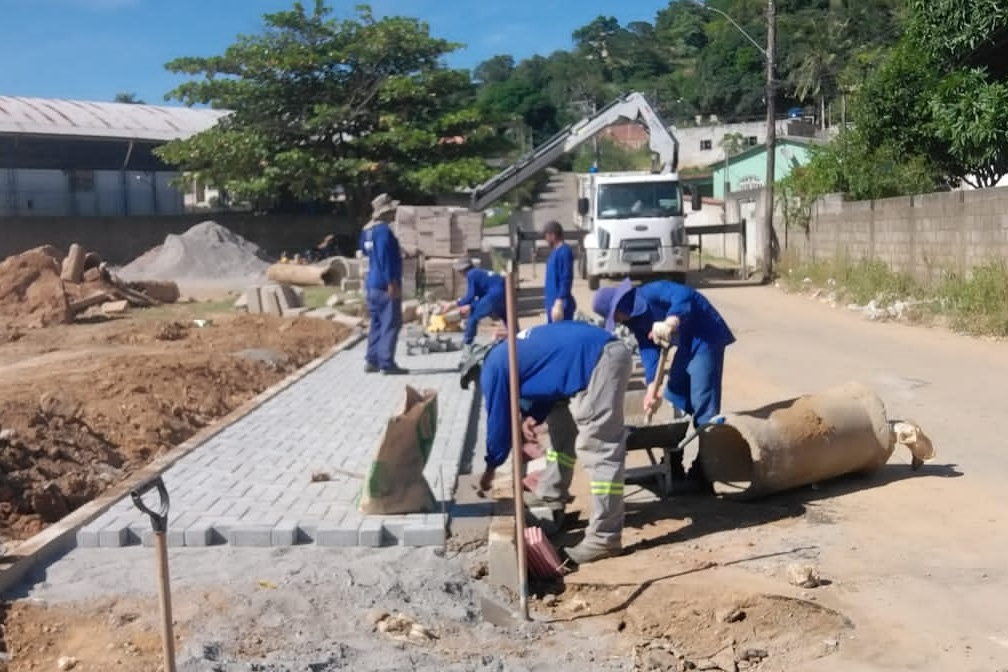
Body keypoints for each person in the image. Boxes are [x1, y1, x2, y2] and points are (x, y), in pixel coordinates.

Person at [477, 320, 632, 565]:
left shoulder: (493, 369)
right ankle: (552, 494)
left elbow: (498, 424)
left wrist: (490, 468)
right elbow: (547, 377)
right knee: (561, 429)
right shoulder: (510, 354)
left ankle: (605, 536)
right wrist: (532, 417)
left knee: (599, 448)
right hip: (590, 356)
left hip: (598, 360)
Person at [592, 278, 735, 483]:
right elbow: (649, 350)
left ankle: (706, 469)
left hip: (705, 335)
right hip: (685, 343)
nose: (619, 320)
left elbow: (684, 295)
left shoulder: (651, 292)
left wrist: (671, 321)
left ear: (620, 304)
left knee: (702, 400)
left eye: (616, 316)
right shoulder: (633, 321)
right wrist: (652, 387)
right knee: (675, 396)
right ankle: (673, 462)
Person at [358, 193, 408, 375]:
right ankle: (386, 362)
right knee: (390, 323)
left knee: (377, 323)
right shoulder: (384, 232)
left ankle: (372, 359)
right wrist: (391, 281)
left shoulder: (367, 231)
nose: (394, 214)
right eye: (392, 211)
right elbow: (385, 258)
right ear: (386, 212)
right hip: (385, 284)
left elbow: (364, 250)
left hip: (372, 283)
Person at [452, 258, 506, 352]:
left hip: (494, 294)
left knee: (473, 316)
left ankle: (467, 342)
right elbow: (479, 296)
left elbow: (470, 296)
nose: (459, 274)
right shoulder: (479, 272)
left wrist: (456, 303)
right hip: (504, 292)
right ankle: (517, 335)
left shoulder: (471, 274)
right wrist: (471, 305)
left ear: (462, 270)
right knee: (506, 316)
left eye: (459, 271)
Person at [543, 220, 576, 322]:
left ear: (553, 235)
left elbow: (566, 278)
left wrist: (559, 301)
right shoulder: (554, 253)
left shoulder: (564, 252)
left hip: (561, 307)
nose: (545, 239)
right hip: (551, 305)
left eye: (546, 236)